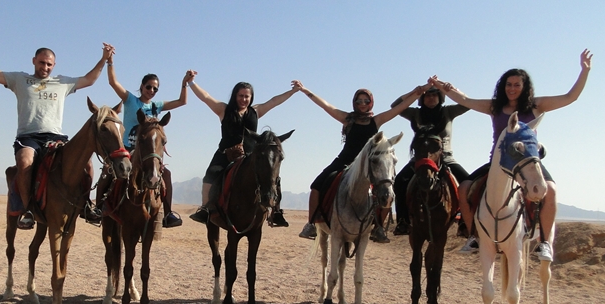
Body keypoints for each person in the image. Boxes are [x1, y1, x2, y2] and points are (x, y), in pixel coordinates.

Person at [436, 49, 593, 260]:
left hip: (527, 163)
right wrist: (444, 88)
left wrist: (584, 71)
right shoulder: (495, 107)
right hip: (498, 163)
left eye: (517, 85)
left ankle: (544, 242)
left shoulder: (537, 105)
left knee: (551, 190)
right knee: (464, 188)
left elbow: (570, 97)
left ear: (524, 86)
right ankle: (475, 235)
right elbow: (466, 100)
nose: (512, 89)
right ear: (503, 87)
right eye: (509, 85)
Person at [0, 40, 111, 229]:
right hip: (28, 137)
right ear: (34, 61)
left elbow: (90, 79)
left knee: (86, 162)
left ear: (54, 65)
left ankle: (86, 205)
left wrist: (104, 59)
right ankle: (28, 209)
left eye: (49, 64)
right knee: (24, 162)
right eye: (41, 62)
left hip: (56, 138)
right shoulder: (20, 80)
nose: (45, 67)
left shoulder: (63, 83)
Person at [295, 81, 430, 241]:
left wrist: (418, 92)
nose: (362, 104)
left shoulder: (376, 121)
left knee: (386, 191)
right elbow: (325, 105)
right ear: (354, 102)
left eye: (366, 101)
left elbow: (398, 109)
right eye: (359, 101)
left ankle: (378, 227)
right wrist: (305, 90)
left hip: (368, 164)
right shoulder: (347, 119)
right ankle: (312, 224)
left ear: (371, 102)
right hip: (345, 160)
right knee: (317, 185)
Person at [188, 76, 301, 225]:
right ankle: (205, 210)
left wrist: (293, 91)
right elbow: (206, 97)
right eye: (240, 96)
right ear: (235, 96)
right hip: (225, 154)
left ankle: (276, 212)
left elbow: (274, 101)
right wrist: (191, 83)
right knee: (210, 175)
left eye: (247, 96)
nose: (243, 99)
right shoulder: (224, 110)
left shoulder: (256, 111)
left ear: (251, 97)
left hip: (249, 156)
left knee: (271, 175)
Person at [98, 44, 188, 227]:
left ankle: (168, 213)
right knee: (108, 172)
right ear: (142, 86)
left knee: (167, 175)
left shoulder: (157, 106)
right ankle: (99, 207)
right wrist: (110, 61)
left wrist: (185, 82)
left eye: (155, 89)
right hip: (127, 148)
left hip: (148, 151)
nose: (152, 91)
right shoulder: (130, 100)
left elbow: (182, 101)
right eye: (149, 87)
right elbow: (113, 83)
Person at [390, 82, 470, 236]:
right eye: (428, 95)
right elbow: (395, 106)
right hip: (419, 159)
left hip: (445, 158)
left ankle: (464, 223)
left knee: (468, 183)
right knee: (399, 182)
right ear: (423, 98)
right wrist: (416, 91)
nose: (431, 97)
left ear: (440, 96)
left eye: (435, 94)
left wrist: (451, 89)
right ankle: (403, 221)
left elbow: (467, 104)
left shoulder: (449, 111)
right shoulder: (415, 113)